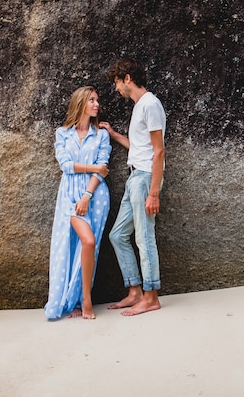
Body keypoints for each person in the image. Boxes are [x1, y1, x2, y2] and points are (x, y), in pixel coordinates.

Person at [99, 57, 166, 316]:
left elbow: (159, 152)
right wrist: (115, 135)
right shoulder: (139, 106)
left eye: (117, 82)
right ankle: (135, 291)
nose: (116, 88)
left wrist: (154, 193)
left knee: (144, 236)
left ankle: (151, 297)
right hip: (134, 177)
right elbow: (141, 147)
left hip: (145, 179)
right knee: (117, 235)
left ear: (128, 79)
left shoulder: (150, 104)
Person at [44, 86, 111, 320]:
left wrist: (87, 195)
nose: (96, 104)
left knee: (89, 245)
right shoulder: (63, 133)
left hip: (94, 195)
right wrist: (94, 167)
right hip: (69, 195)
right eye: (91, 100)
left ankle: (83, 299)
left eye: (97, 100)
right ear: (81, 103)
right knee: (78, 243)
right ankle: (79, 300)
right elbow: (66, 165)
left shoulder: (101, 134)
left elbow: (104, 167)